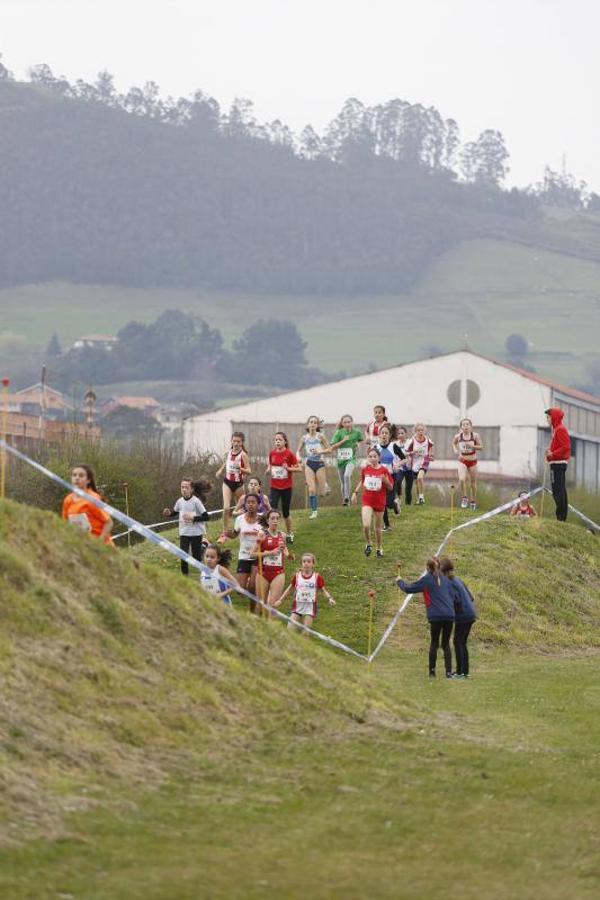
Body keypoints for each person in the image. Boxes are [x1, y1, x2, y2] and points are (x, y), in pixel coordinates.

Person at [396, 557, 455, 678]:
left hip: (436, 616)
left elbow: (408, 589)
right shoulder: (446, 580)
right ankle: (449, 672)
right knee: (445, 644)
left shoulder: (426, 579)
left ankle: (432, 673)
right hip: (449, 615)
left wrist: (399, 581)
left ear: (427, 568)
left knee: (434, 643)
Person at [162, 477, 210, 575]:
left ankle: (204, 546)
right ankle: (185, 578)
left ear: (191, 489)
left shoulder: (196, 501)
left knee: (196, 558)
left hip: (196, 533)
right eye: (182, 487)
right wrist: (168, 514)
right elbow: (174, 512)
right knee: (183, 555)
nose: (183, 489)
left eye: (186, 487)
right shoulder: (179, 501)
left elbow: (206, 517)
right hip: (184, 532)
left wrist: (193, 518)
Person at [352, 447, 393, 558]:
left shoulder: (384, 470)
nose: (372, 458)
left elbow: (390, 487)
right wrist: (355, 492)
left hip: (379, 502)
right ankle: (369, 544)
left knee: (377, 529)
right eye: (370, 456)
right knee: (366, 525)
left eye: (375, 456)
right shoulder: (365, 469)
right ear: (368, 458)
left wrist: (385, 481)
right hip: (367, 501)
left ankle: (379, 548)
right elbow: (362, 481)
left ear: (379, 457)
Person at [277, 552, 335, 632]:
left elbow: (323, 590)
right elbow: (290, 588)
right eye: (304, 561)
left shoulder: (317, 577)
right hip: (297, 607)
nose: (306, 564)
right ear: (301, 564)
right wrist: (281, 600)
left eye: (308, 561)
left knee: (305, 633)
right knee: (289, 631)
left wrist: (330, 598)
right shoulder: (297, 576)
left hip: (309, 608)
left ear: (313, 564)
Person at [439, 557, 476, 679]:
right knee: (462, 642)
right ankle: (465, 672)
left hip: (463, 615)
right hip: (470, 613)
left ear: (443, 570)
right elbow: (471, 597)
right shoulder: (458, 579)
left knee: (457, 642)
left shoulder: (449, 583)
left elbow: (456, 599)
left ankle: (460, 673)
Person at [62, 464, 114, 545]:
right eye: (74, 475)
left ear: (88, 480)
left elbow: (109, 523)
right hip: (82, 547)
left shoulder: (93, 498)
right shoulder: (68, 500)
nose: (77, 478)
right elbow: (65, 523)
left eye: (81, 475)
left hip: (102, 548)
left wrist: (99, 544)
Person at [266, 432, 302, 541]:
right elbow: (270, 465)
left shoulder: (289, 454)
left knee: (286, 512)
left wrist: (289, 469)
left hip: (286, 487)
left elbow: (299, 469)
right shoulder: (272, 453)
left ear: (285, 442)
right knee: (272, 511)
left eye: (280, 440)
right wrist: (268, 470)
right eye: (276, 440)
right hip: (274, 487)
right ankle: (272, 534)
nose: (277, 441)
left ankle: (290, 533)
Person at [215, 432, 251, 541]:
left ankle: (243, 530)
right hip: (227, 482)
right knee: (226, 508)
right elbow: (227, 462)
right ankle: (224, 533)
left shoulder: (243, 455)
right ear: (231, 441)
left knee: (242, 509)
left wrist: (240, 468)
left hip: (238, 484)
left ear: (242, 443)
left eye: (238, 441)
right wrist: (220, 470)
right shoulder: (229, 451)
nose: (236, 443)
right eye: (234, 441)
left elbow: (249, 471)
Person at [232, 493, 263, 612]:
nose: (250, 504)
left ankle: (252, 613)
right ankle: (251, 581)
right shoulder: (239, 519)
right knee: (240, 590)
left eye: (253, 502)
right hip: (243, 556)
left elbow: (269, 533)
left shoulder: (262, 519)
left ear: (258, 504)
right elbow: (234, 534)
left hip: (257, 557)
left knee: (252, 588)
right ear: (245, 504)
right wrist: (226, 534)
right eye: (248, 502)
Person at [296, 416, 332, 520]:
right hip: (309, 464)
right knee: (311, 490)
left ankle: (325, 485)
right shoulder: (304, 438)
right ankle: (314, 512)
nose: (312, 424)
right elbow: (298, 451)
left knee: (322, 493)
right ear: (308, 425)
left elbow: (329, 450)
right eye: (311, 422)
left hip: (319, 463)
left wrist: (320, 452)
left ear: (317, 425)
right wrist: (299, 458)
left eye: (315, 422)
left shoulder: (320, 437)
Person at [256, 510, 290, 613]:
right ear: (267, 520)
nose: (275, 521)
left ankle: (270, 627)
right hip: (263, 572)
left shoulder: (282, 535)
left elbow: (284, 548)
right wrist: (269, 553)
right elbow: (253, 554)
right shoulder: (262, 534)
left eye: (277, 518)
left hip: (278, 573)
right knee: (260, 605)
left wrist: (288, 555)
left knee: (273, 606)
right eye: (272, 518)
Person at [330, 414, 364, 506]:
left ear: (352, 422)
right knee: (343, 482)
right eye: (345, 422)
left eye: (349, 422)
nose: (347, 423)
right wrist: (343, 441)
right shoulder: (339, 432)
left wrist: (358, 444)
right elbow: (333, 446)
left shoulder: (357, 432)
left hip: (351, 459)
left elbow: (361, 440)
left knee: (347, 476)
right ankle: (346, 502)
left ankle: (346, 498)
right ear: (342, 423)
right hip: (341, 460)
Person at [544, 408, 571, 521]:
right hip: (556, 463)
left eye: (548, 417)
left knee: (558, 491)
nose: (547, 419)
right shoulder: (556, 430)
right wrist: (550, 453)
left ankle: (560, 518)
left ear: (554, 417)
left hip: (558, 465)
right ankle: (561, 517)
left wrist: (552, 454)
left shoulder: (560, 430)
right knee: (560, 490)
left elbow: (566, 447)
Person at [452, 418, 483, 510]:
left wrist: (473, 446)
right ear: (461, 427)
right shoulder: (458, 436)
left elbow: (481, 447)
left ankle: (473, 501)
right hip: (462, 460)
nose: (465, 426)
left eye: (467, 424)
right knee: (461, 479)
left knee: (473, 483)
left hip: (472, 461)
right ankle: (464, 498)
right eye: (463, 425)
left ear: (471, 426)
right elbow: (453, 443)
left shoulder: (475, 436)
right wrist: (455, 449)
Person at [406, 424, 434, 505]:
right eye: (418, 430)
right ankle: (419, 499)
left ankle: (422, 497)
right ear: (415, 431)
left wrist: (431, 455)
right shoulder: (412, 440)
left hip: (424, 460)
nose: (420, 432)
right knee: (416, 482)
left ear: (424, 431)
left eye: (422, 430)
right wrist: (412, 452)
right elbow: (406, 453)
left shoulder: (428, 440)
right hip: (414, 462)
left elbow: (431, 449)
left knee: (420, 477)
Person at [378, 423, 398, 530]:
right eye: (382, 433)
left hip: (391, 476)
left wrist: (398, 465)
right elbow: (371, 459)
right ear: (379, 435)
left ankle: (394, 504)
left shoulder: (393, 446)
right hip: (380, 478)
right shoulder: (376, 447)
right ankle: (387, 525)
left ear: (389, 435)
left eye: (386, 433)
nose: (384, 435)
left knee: (389, 503)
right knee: (382, 503)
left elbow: (405, 459)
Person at [393, 426, 413, 507]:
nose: (400, 435)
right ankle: (399, 497)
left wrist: (407, 454)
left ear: (406, 434)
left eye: (402, 433)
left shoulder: (410, 442)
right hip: (400, 467)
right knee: (398, 481)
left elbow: (414, 451)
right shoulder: (395, 444)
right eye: (399, 434)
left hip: (409, 467)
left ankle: (408, 504)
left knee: (408, 488)